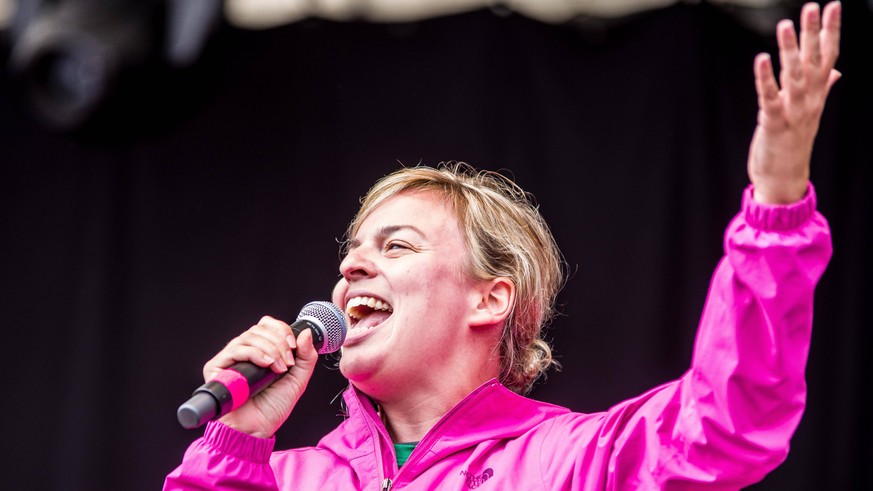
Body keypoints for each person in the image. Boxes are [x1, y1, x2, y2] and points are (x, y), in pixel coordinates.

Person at [164, 2, 841, 489]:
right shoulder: (283, 475)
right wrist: (238, 441)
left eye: (396, 245)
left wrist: (774, 208)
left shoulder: (573, 461)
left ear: (489, 298)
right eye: (353, 249)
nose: (350, 265)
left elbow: (728, 422)